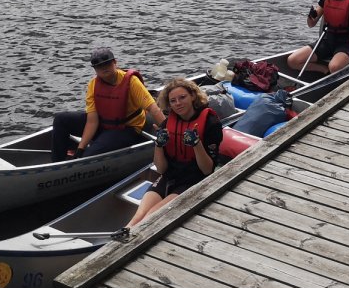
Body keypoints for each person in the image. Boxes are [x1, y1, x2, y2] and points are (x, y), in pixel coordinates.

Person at [125, 78, 223, 227]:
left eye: (182, 97)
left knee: (150, 217)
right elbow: (161, 169)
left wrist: (196, 144)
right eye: (173, 101)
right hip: (170, 175)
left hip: (194, 178)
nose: (178, 103)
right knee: (137, 218)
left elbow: (207, 170)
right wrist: (159, 144)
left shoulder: (211, 123)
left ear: (193, 96)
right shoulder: (167, 124)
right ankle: (123, 234)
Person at [51, 47, 166, 162]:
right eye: (99, 66)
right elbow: (92, 121)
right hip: (103, 124)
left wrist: (168, 132)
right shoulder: (93, 85)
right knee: (61, 119)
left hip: (127, 128)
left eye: (107, 63)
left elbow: (154, 109)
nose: (104, 67)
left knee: (88, 156)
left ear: (115, 62)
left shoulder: (131, 82)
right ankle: (57, 162)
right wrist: (81, 148)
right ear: (95, 69)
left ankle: (84, 159)